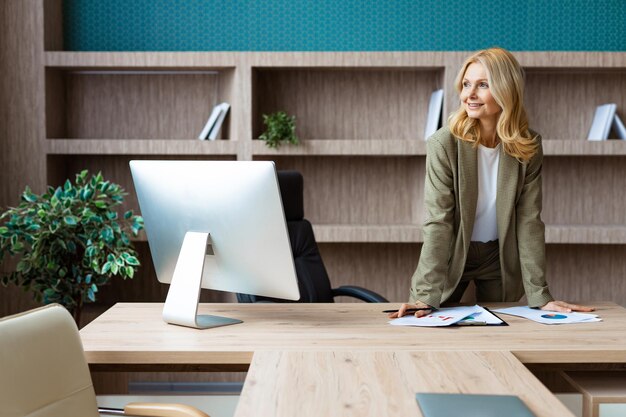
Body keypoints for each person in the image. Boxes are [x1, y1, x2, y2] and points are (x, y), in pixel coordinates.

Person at [390, 47, 593, 319]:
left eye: (482, 85)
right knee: (434, 326)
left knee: (499, 329)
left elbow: (529, 221)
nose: (469, 95)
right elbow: (438, 221)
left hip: (497, 257)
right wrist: (425, 295)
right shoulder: (444, 144)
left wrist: (540, 294)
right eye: (466, 84)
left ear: (506, 90)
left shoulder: (528, 145)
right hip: (452, 254)